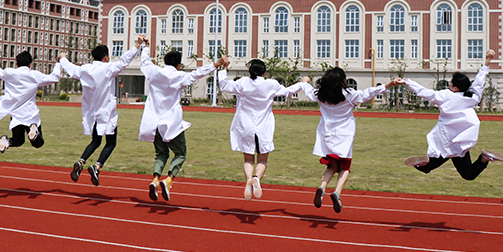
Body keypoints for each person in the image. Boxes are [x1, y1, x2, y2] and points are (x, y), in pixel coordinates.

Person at [300, 68, 401, 213]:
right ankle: (337, 193)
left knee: (331, 167)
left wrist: (304, 82)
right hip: (344, 136)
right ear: (342, 81)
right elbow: (368, 93)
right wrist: (388, 85)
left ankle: (322, 187)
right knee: (345, 168)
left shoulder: (320, 94)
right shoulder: (349, 95)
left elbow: (309, 91)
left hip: (327, 135)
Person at [139, 38, 227, 202]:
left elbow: (144, 62)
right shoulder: (179, 76)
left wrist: (146, 46)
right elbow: (197, 74)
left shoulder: (153, 71)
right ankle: (169, 180)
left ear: (164, 61)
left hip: (152, 122)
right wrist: (217, 64)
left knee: (161, 154)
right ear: (178, 65)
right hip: (171, 123)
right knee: (180, 153)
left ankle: (155, 180)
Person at [400, 48, 503, 180]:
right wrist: (488, 61)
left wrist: (407, 82)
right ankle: (484, 158)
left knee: (427, 168)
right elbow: (479, 81)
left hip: (446, 143)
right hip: (460, 144)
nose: (449, 84)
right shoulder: (472, 97)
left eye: (450, 83)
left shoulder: (446, 96)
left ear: (455, 88)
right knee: (468, 175)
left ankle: (422, 164)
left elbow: (424, 92)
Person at [59, 36, 144, 186]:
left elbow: (71, 69)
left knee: (96, 141)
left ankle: (81, 162)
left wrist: (63, 59)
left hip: (91, 113)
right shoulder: (108, 68)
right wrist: (137, 44)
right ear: (105, 57)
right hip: (107, 112)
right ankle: (96, 167)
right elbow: (125, 60)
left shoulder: (85, 69)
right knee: (111, 143)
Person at [217, 59, 304, 200]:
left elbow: (224, 85)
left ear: (250, 72)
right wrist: (302, 83)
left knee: (248, 160)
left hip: (245, 126)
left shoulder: (243, 82)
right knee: (262, 160)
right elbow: (288, 92)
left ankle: (248, 181)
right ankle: (256, 178)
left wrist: (224, 69)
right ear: (264, 72)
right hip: (263, 127)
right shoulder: (271, 84)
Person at [0, 50, 61, 153]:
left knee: (18, 140)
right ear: (30, 64)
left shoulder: (10, 73)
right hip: (30, 115)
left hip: (16, 116)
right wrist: (59, 62)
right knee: (38, 143)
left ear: (16, 63)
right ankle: (33, 130)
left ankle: (6, 142)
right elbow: (54, 77)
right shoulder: (34, 75)